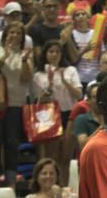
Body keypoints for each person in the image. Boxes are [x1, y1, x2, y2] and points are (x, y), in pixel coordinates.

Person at [32, 39, 82, 181]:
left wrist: (63, 80)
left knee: (65, 156)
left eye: (57, 51)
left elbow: (79, 95)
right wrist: (49, 83)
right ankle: (50, 186)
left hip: (69, 114)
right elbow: (38, 101)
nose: (54, 55)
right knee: (51, 157)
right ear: (45, 54)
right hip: (49, 115)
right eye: (51, 51)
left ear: (62, 54)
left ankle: (64, 188)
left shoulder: (70, 70)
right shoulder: (39, 74)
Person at [0, 23, 33, 185]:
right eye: (11, 32)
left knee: (11, 142)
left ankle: (11, 181)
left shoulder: (25, 54)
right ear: (5, 35)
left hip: (16, 104)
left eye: (18, 33)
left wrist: (23, 61)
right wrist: (6, 54)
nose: (14, 36)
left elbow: (26, 78)